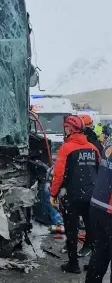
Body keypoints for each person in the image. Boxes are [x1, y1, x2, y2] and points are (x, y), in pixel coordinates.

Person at [50, 115, 100, 273]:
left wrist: (53, 193)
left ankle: (73, 264)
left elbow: (58, 175)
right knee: (91, 228)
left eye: (65, 127)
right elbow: (99, 171)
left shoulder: (66, 148)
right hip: (91, 195)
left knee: (72, 230)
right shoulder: (93, 148)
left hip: (71, 196)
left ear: (70, 129)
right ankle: (92, 263)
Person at [83, 141, 112, 283]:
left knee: (100, 254)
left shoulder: (110, 142)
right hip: (110, 208)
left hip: (98, 206)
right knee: (100, 253)